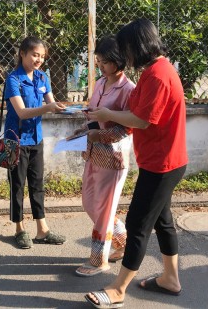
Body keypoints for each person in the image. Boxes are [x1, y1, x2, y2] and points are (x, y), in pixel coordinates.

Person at [84, 18, 188, 308]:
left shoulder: (157, 74)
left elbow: (141, 119)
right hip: (165, 160)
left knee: (137, 223)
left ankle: (119, 289)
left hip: (162, 164)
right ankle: (170, 278)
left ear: (137, 45)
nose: (124, 54)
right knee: (163, 222)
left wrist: (108, 113)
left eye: (126, 47)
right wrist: (104, 116)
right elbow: (138, 111)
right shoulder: (156, 70)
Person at [69, 36, 135, 277]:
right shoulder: (100, 82)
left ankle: (99, 260)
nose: (100, 66)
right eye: (98, 61)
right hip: (93, 152)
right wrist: (85, 129)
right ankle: (122, 239)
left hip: (113, 158)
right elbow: (95, 115)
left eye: (104, 62)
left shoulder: (129, 90)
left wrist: (100, 135)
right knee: (89, 202)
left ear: (118, 61)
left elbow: (126, 128)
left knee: (105, 209)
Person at [3, 36, 67, 249]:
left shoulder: (42, 77)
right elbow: (21, 112)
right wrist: (48, 108)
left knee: (37, 185)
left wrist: (63, 108)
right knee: (18, 185)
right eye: (34, 55)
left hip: (36, 139)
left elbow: (51, 102)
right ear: (23, 54)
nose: (38, 59)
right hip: (16, 141)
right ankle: (19, 229)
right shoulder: (13, 79)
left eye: (41, 56)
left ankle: (42, 229)